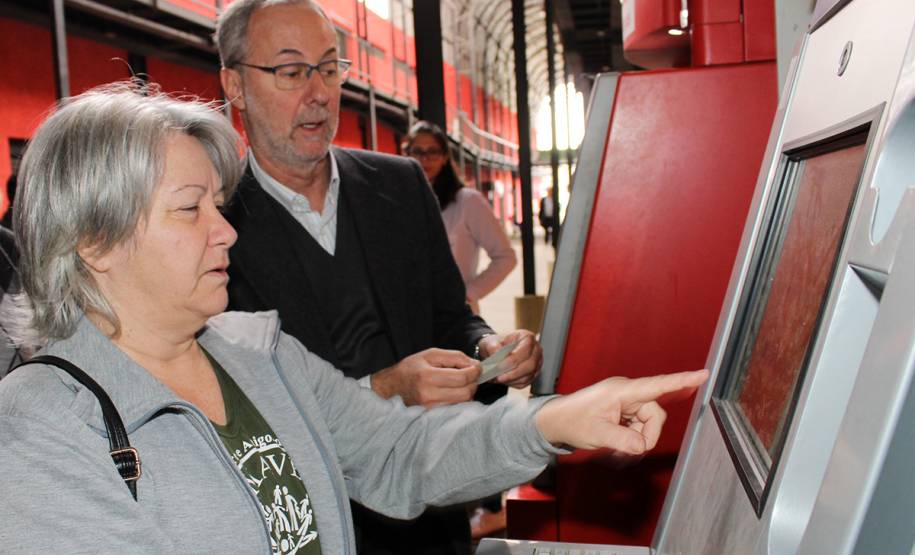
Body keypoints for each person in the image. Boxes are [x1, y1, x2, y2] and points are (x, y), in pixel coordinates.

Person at [0, 82, 708, 554]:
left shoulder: (258, 352)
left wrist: (555, 420)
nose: (227, 232)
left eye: (219, 204)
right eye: (190, 209)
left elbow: (401, 451)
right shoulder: (37, 430)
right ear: (95, 239)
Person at [215, 2, 541, 552]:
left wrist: (487, 347)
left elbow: (448, 315)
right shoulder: (218, 224)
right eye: (292, 72)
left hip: (430, 515)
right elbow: (236, 408)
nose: (318, 93)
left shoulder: (400, 185)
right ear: (235, 85)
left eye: (329, 67)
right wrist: (386, 389)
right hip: (313, 526)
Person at [403, 121, 516, 315]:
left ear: (445, 157)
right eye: (418, 151)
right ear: (407, 154)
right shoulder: (399, 201)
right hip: (409, 315)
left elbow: (506, 257)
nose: (425, 159)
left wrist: (468, 293)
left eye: (432, 151)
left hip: (454, 315)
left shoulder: (468, 201)